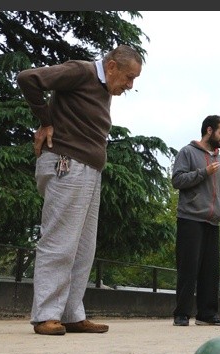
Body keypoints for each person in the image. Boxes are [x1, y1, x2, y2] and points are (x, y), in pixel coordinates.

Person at [17, 45, 143, 336]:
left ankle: (71, 314)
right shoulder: (81, 71)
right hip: (67, 164)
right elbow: (28, 78)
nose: (130, 85)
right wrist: (46, 121)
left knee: (84, 248)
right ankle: (46, 314)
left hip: (88, 170)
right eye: (128, 77)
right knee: (59, 241)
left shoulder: (103, 88)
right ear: (111, 67)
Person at [171, 115, 220, 326]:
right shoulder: (187, 152)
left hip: (213, 221)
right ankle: (182, 314)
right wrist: (203, 173)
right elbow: (177, 180)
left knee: (211, 270)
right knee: (188, 268)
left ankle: (207, 314)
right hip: (190, 218)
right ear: (209, 131)